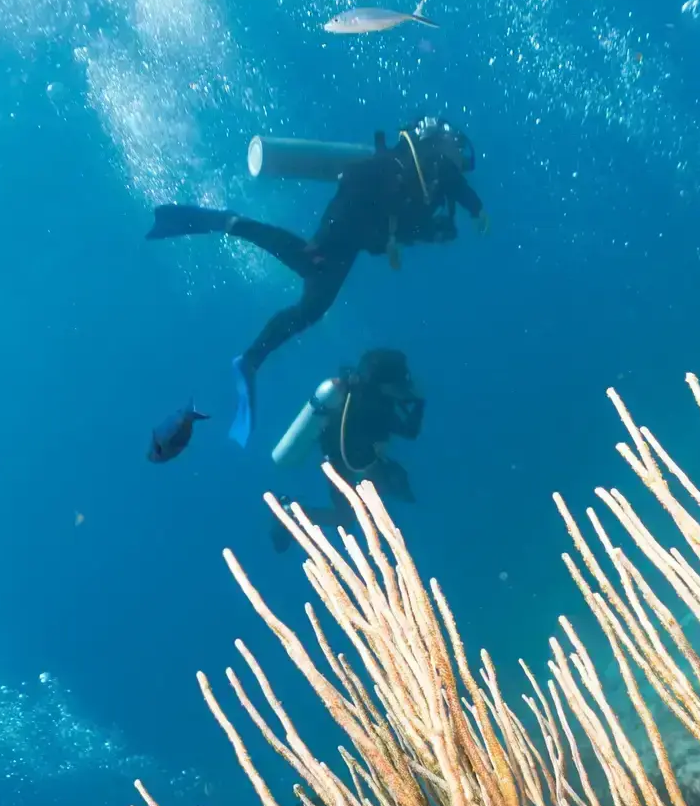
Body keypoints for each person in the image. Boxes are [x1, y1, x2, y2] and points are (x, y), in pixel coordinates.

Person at [146, 117, 484, 444]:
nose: (459, 161)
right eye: (458, 151)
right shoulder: (427, 162)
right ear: (444, 143)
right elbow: (376, 188)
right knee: (309, 262)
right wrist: (477, 208)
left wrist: (419, 234)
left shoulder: (427, 182)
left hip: (350, 240)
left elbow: (404, 222)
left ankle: (251, 359)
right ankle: (230, 223)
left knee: (312, 308)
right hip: (344, 227)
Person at [270, 348, 424, 549]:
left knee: (350, 513)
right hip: (346, 463)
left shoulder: (358, 392)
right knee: (346, 516)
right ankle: (291, 514)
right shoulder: (373, 407)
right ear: (383, 383)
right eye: (396, 384)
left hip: (341, 458)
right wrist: (420, 404)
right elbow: (409, 431)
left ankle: (292, 513)